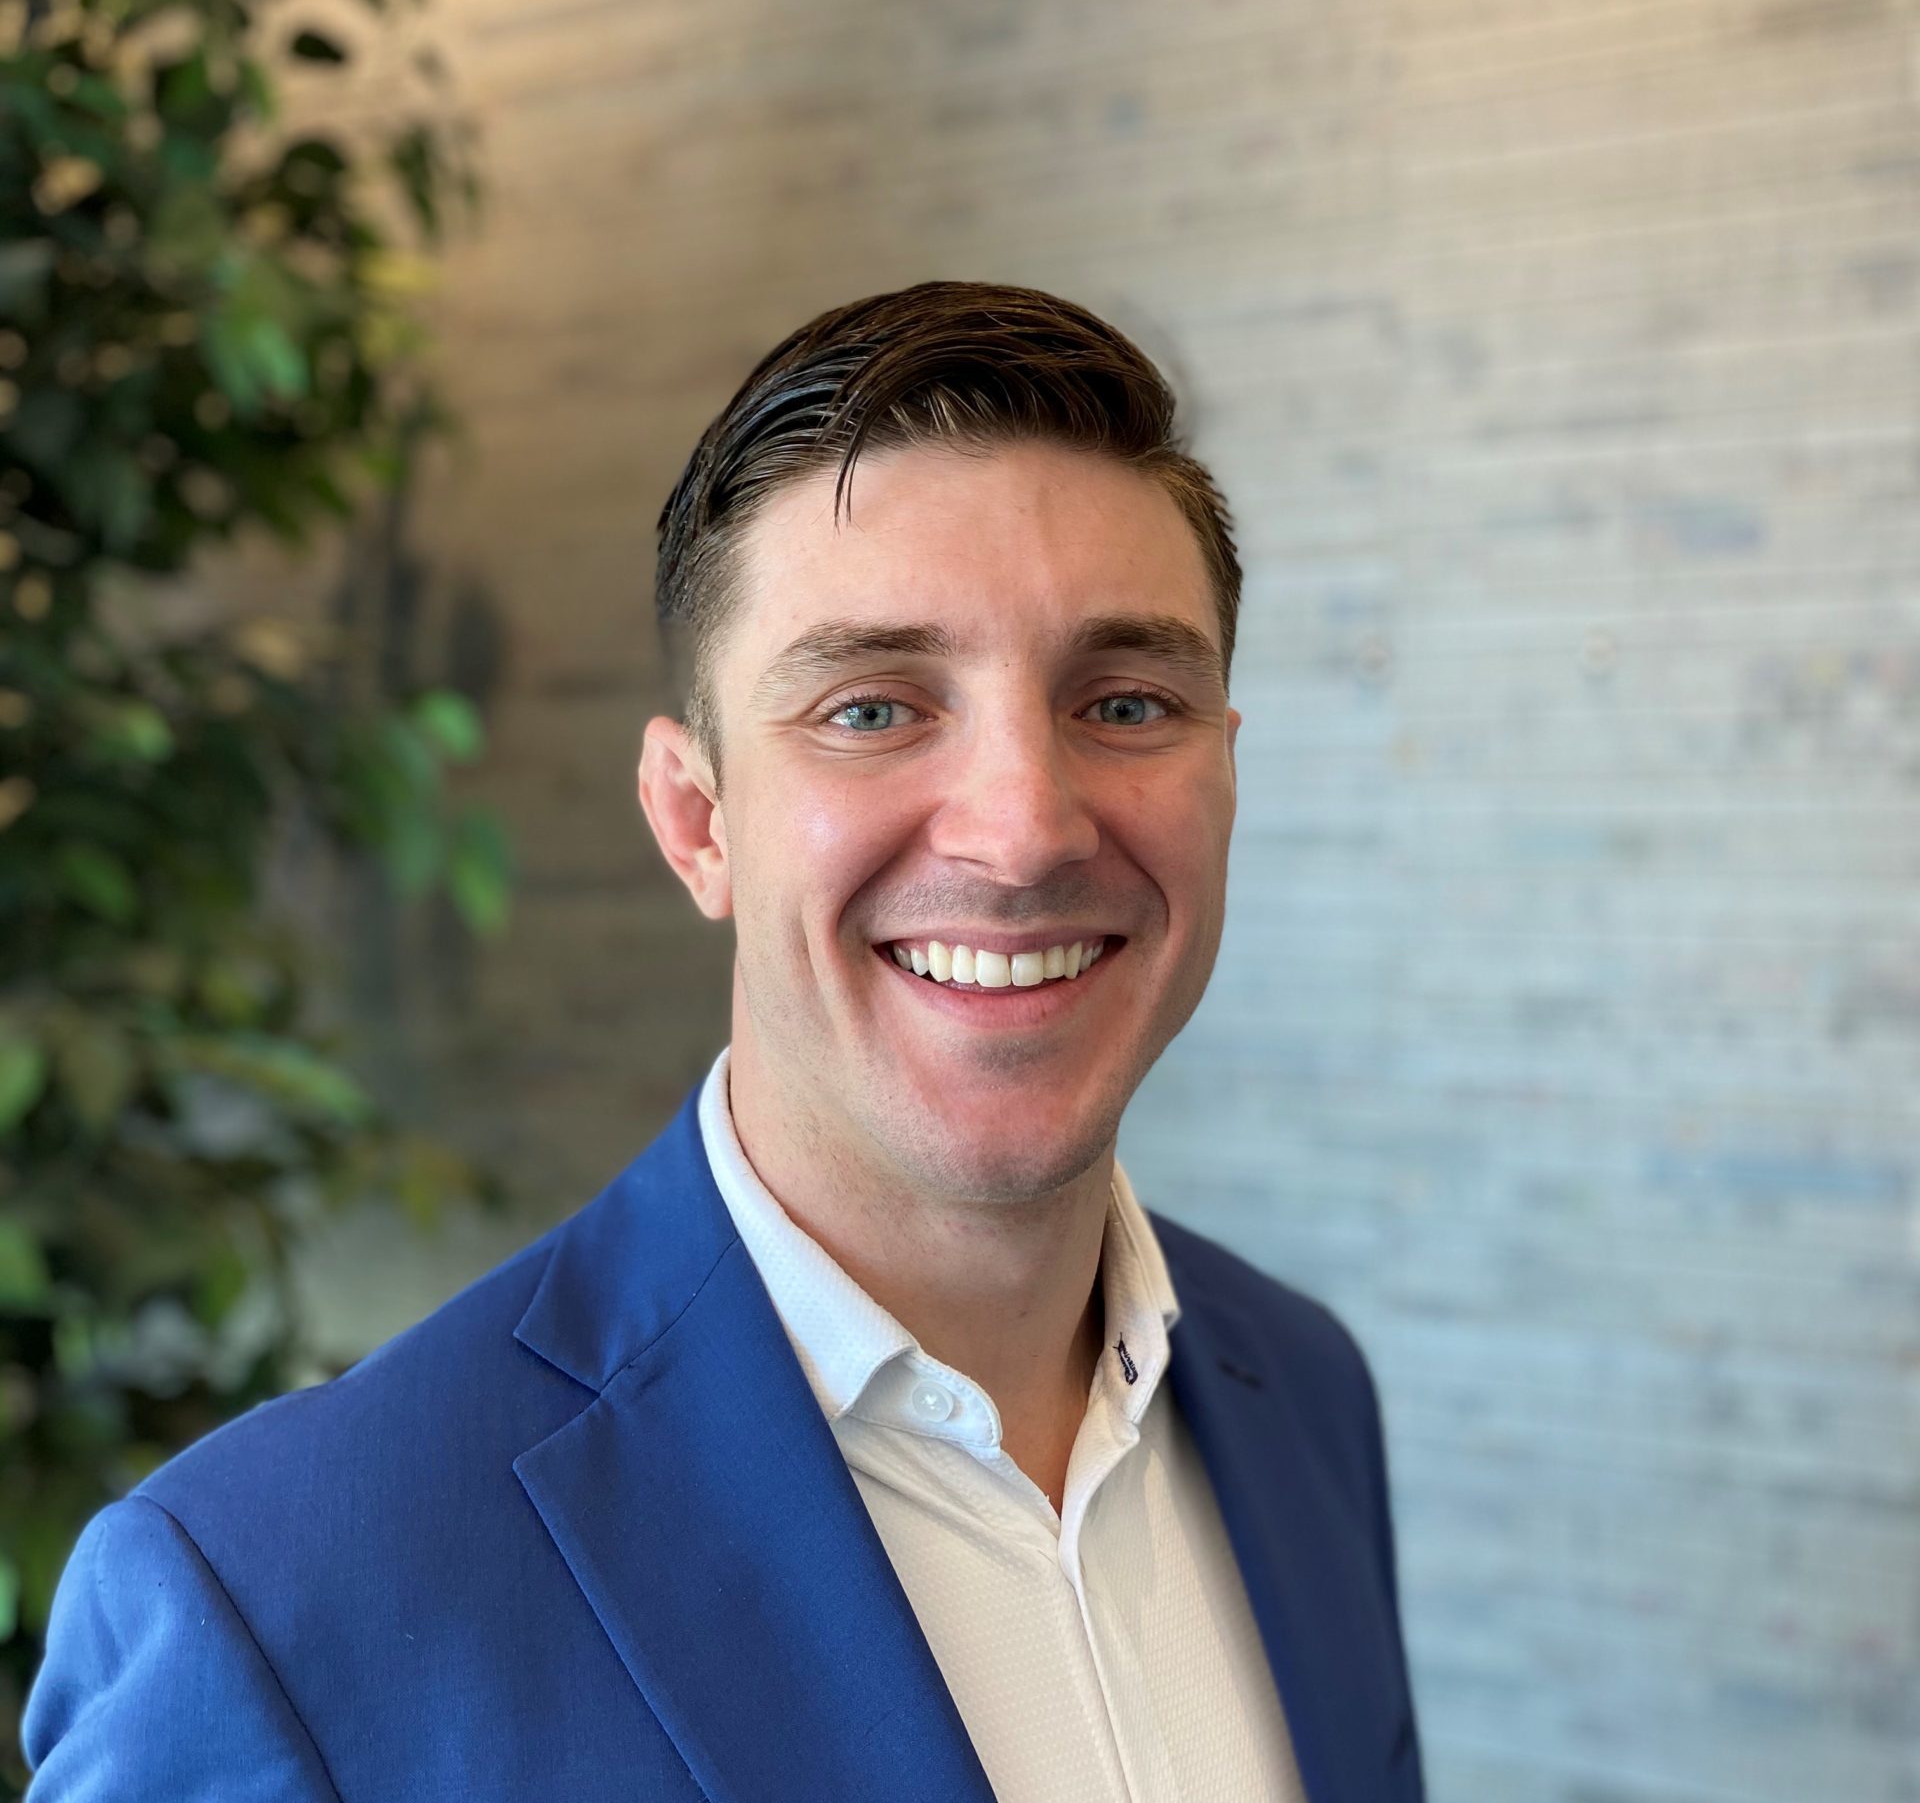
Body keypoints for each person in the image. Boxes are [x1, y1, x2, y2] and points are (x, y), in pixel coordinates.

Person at [23, 281, 1424, 1802]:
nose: (1024, 830)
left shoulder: (1304, 1396)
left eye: (1128, 700)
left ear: (1224, 776)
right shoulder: (282, 1599)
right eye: (875, 710)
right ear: (697, 820)